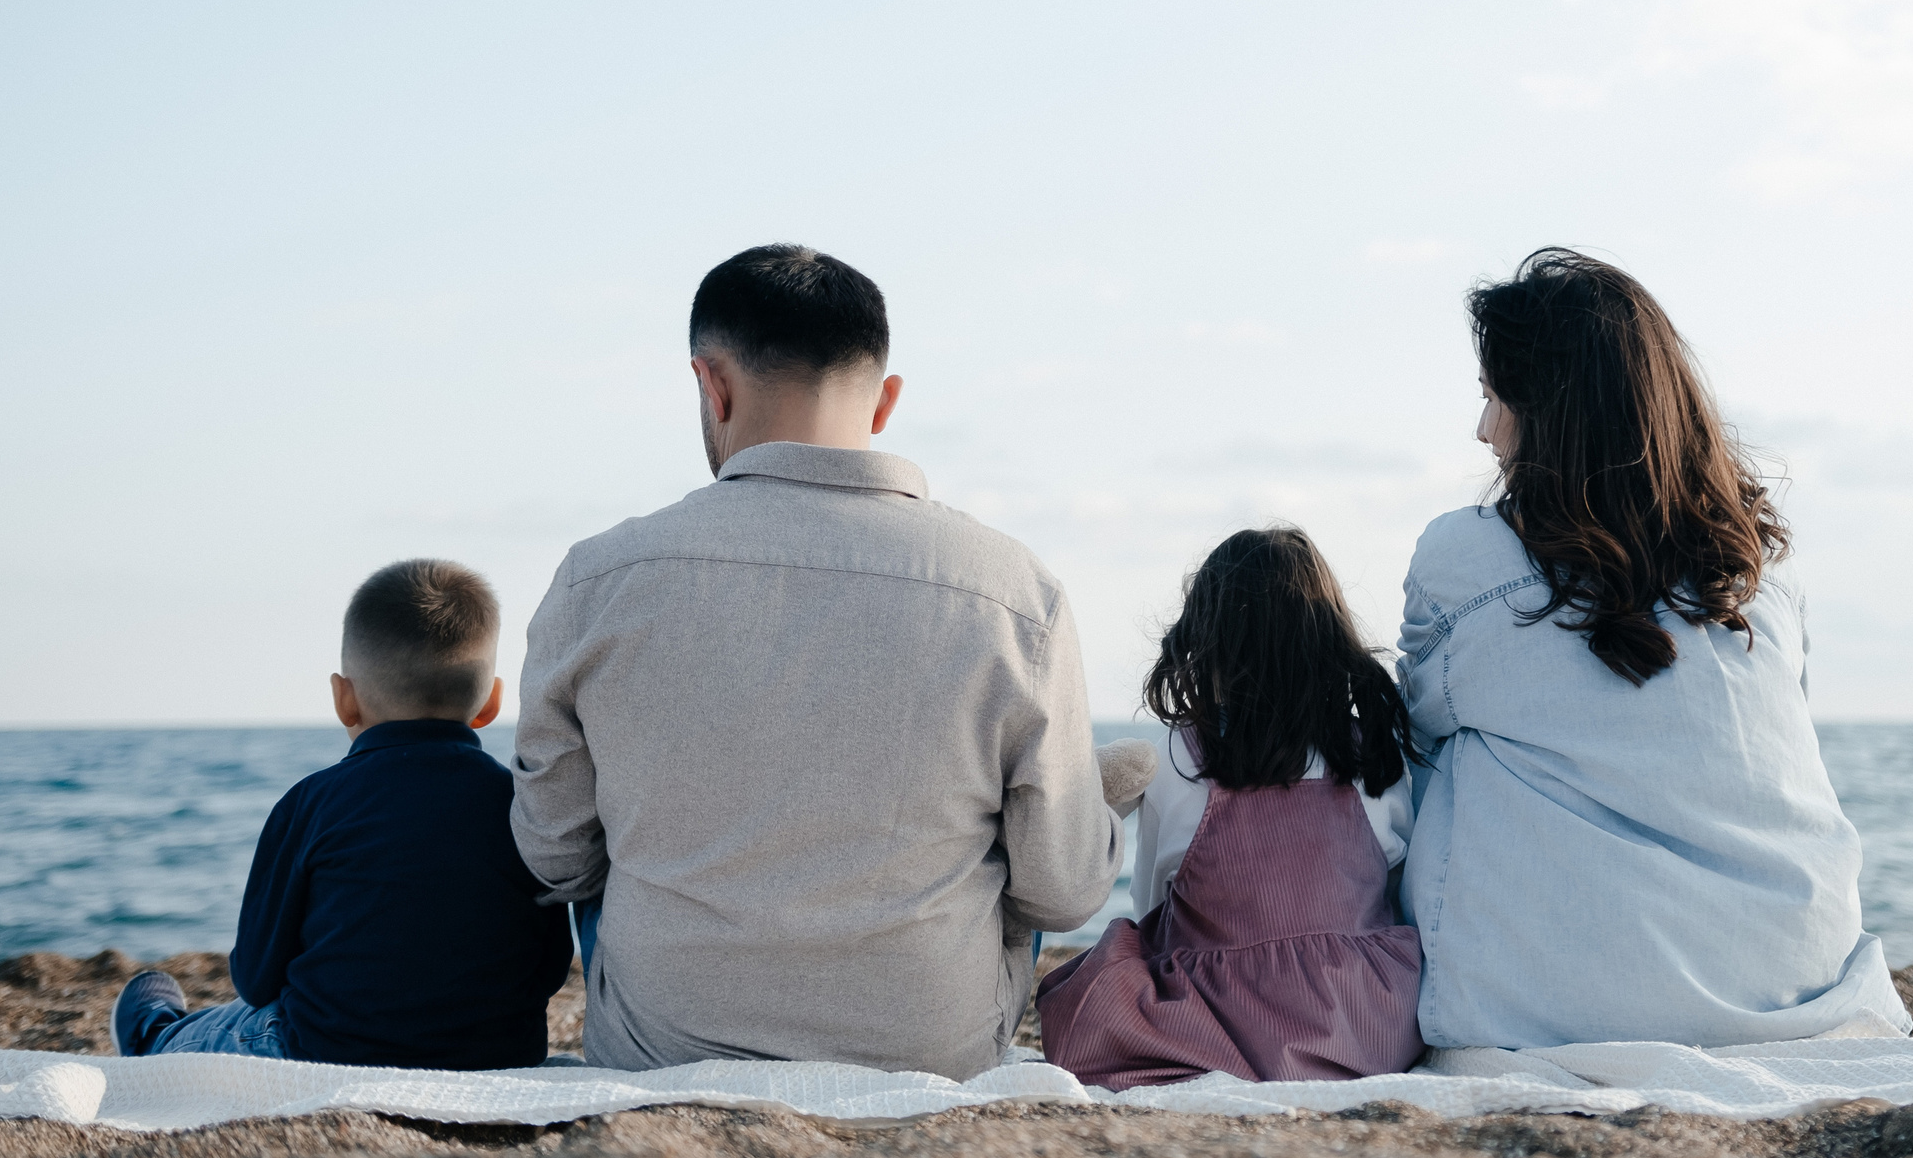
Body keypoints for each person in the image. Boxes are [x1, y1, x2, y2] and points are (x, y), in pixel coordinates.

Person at [510, 244, 1123, 1079]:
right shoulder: (1015, 590)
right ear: (886, 401)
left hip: (664, 1045)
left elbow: (557, 858)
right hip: (933, 1049)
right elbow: (1065, 892)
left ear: (710, 384)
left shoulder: (599, 578)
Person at [1400, 248, 1911, 1053]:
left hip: (1555, 1005)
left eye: (1496, 396)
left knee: (1451, 748)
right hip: (1795, 978)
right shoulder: (1762, 584)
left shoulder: (1465, 557)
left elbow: (1415, 737)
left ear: (1553, 416)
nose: (1483, 429)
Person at [108, 560, 572, 1066]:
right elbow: (549, 967)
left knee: (214, 1026)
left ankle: (154, 1033)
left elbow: (257, 978)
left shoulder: (312, 802)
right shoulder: (525, 806)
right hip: (499, 1054)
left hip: (327, 1051)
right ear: (491, 703)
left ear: (343, 699)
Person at [1038, 528, 1424, 1089]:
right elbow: (1394, 889)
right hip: (1363, 1024)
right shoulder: (1370, 751)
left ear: (1206, 639)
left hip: (1220, 1021)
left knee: (1094, 991)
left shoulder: (1179, 754)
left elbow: (1152, 899)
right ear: (1328, 641)